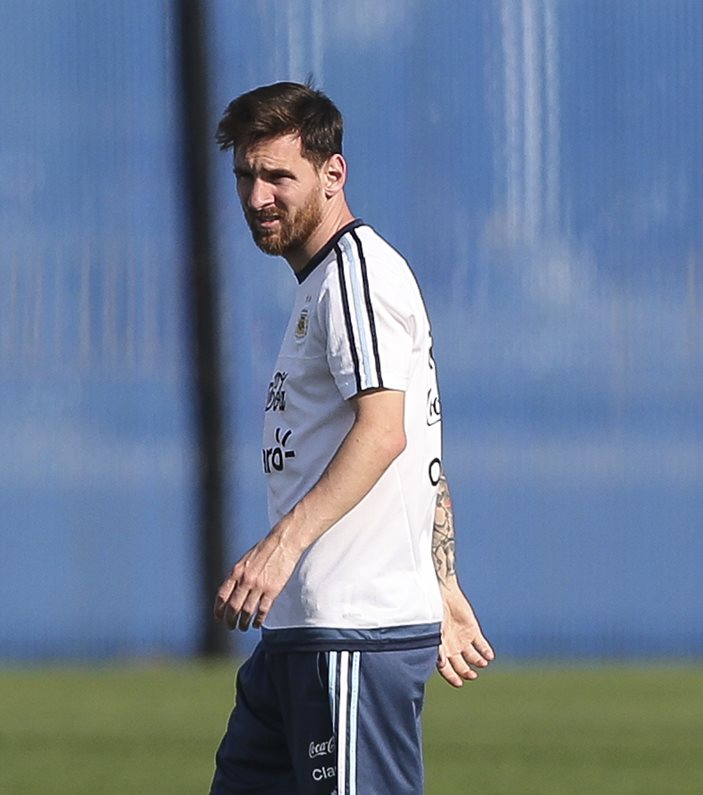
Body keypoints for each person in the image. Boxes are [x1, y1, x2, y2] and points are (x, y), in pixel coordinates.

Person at [208, 81, 494, 795]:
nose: (256, 196)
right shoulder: (322, 283)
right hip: (302, 637)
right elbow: (424, 442)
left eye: (278, 175)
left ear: (333, 174)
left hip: (352, 636)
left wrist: (281, 545)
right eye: (245, 174)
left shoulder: (356, 275)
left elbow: (386, 432)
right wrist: (443, 580)